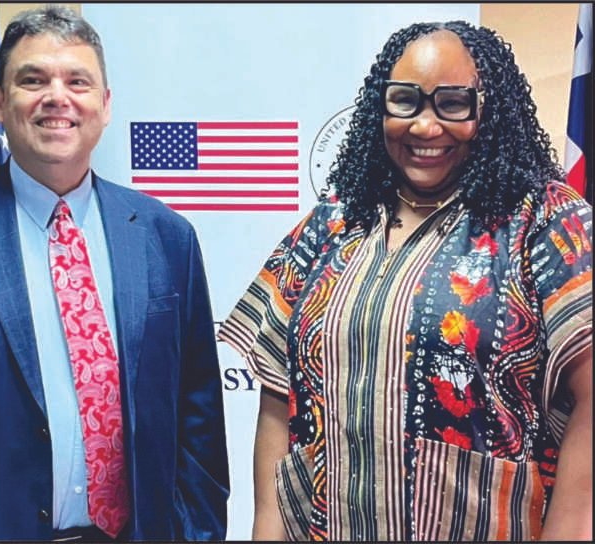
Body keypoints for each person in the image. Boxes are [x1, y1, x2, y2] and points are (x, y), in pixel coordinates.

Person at [218, 20, 591, 541]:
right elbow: (278, 401)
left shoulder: (543, 222)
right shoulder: (332, 224)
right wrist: (267, 531)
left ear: (490, 111)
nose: (425, 126)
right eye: (405, 101)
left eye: (453, 104)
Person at [0, 6, 229, 541]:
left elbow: (199, 422)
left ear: (105, 104)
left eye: (78, 81)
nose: (58, 97)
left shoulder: (166, 237)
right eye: (33, 80)